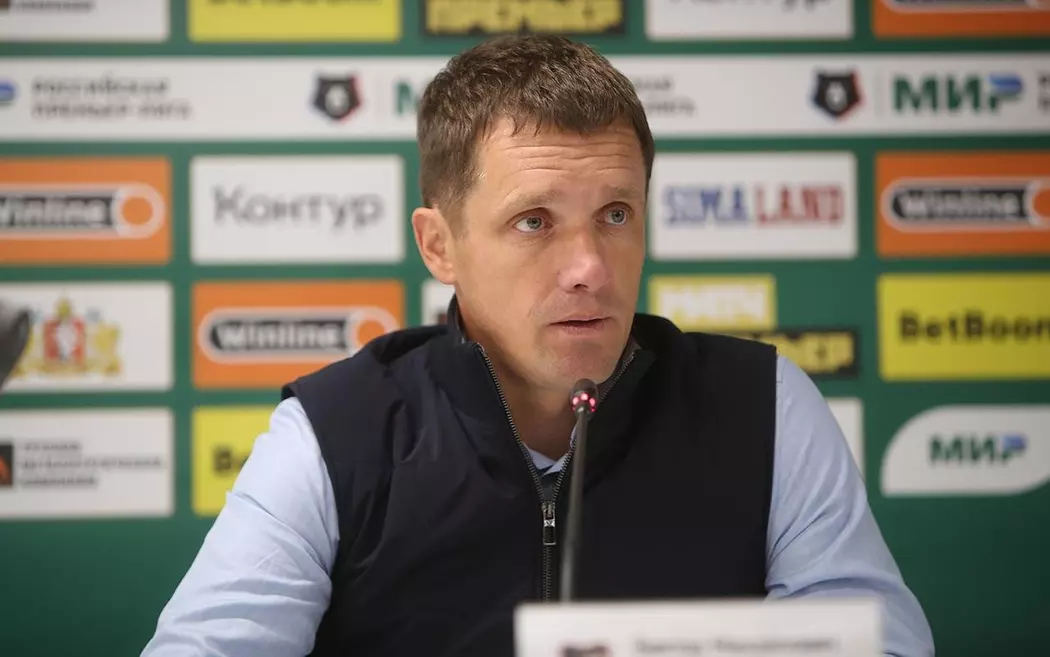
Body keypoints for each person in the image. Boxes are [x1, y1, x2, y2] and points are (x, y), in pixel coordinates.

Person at [141, 35, 934, 657]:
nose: (589, 267)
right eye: (535, 221)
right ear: (439, 244)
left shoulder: (763, 406)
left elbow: (878, 638)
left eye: (616, 214)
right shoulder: (334, 434)